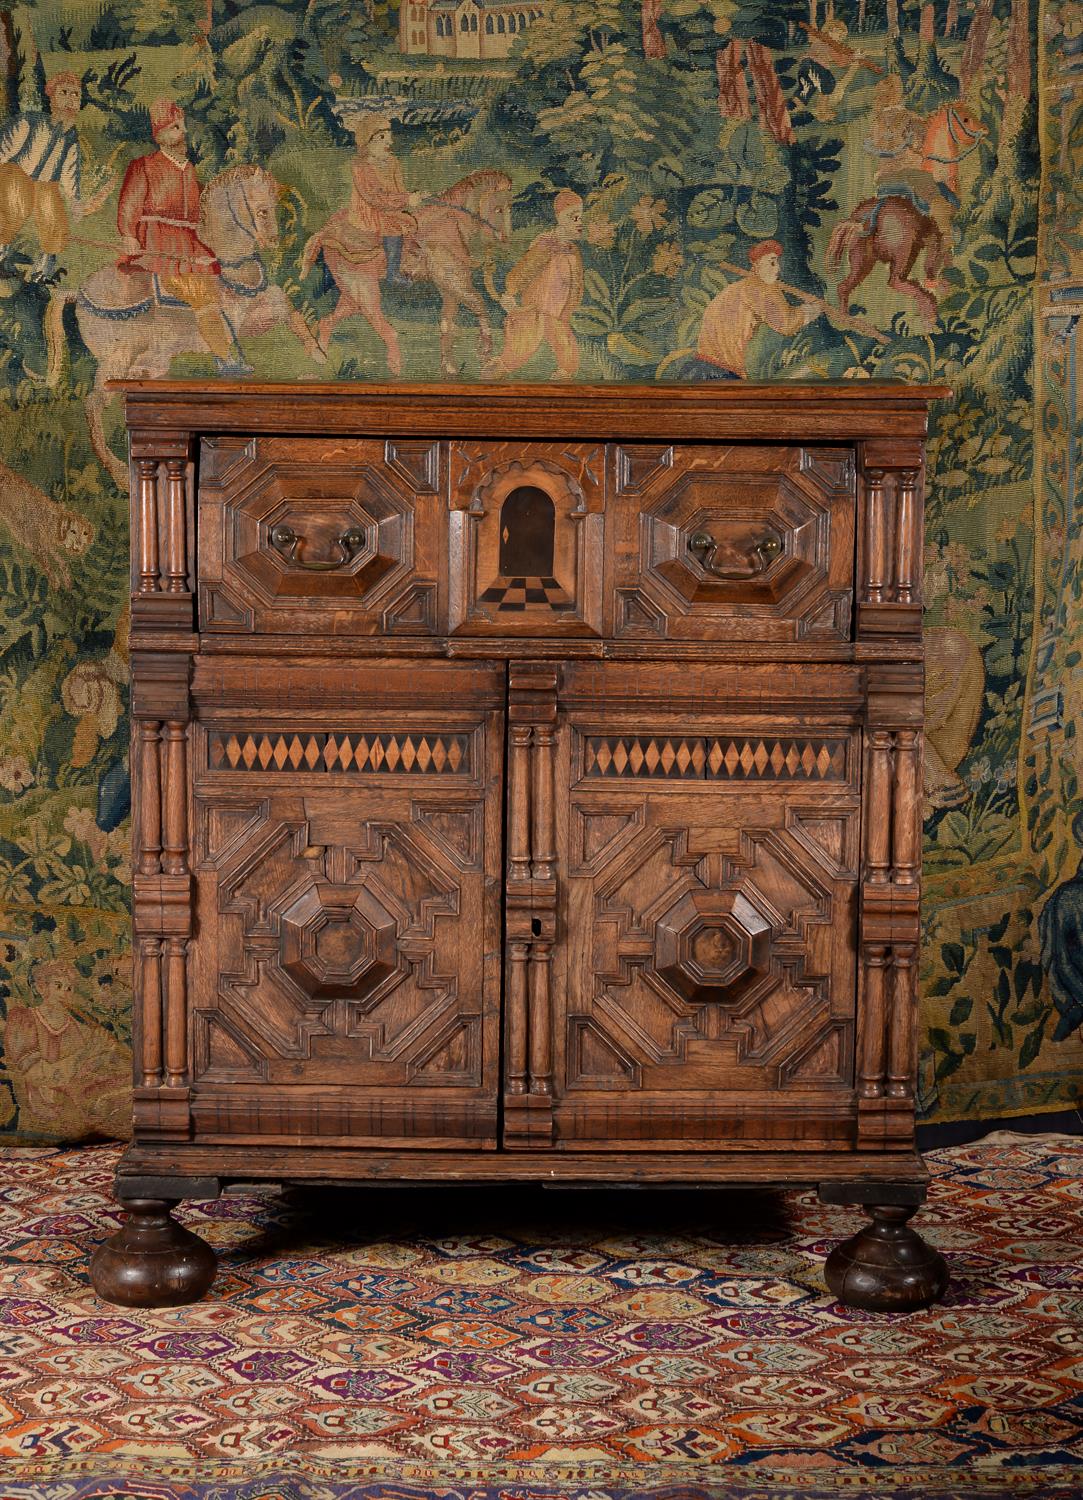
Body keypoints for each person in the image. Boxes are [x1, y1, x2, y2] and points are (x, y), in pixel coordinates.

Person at [116, 98, 250, 374]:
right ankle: (224, 358)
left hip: (188, 241)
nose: (183, 133)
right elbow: (129, 203)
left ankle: (222, 348)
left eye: (183, 127)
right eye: (176, 127)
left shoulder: (189, 169)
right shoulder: (144, 165)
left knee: (216, 286)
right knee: (202, 296)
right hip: (159, 241)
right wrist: (129, 234)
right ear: (161, 136)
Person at [0, 72, 112, 281]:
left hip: (45, 185)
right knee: (16, 204)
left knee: (54, 215)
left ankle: (43, 271)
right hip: (14, 175)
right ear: (51, 97)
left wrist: (75, 202)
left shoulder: (71, 139)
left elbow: (70, 174)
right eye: (64, 93)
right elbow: (3, 151)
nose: (70, 99)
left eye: (76, 95)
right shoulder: (29, 123)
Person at [486, 188, 584, 379]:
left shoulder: (573, 250)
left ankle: (565, 375)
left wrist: (574, 301)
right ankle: (496, 371)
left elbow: (577, 281)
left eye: (581, 217)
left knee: (565, 344)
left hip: (558, 311)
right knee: (522, 344)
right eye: (574, 216)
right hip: (536, 309)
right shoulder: (547, 244)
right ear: (560, 218)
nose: (580, 222)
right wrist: (510, 292)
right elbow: (526, 269)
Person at [684, 240, 817, 380]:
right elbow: (786, 324)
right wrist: (812, 309)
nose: (777, 269)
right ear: (756, 265)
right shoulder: (756, 288)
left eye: (777, 263)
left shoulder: (741, 287)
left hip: (704, 367)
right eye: (772, 263)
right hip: (719, 371)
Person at [342, 115, 420, 286]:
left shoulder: (393, 161)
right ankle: (392, 274)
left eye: (389, 136)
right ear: (367, 142)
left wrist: (409, 198)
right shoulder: (361, 166)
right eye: (382, 137)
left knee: (413, 220)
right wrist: (406, 199)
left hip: (391, 206)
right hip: (370, 210)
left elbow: (399, 189)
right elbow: (374, 198)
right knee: (393, 228)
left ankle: (413, 263)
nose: (389, 142)